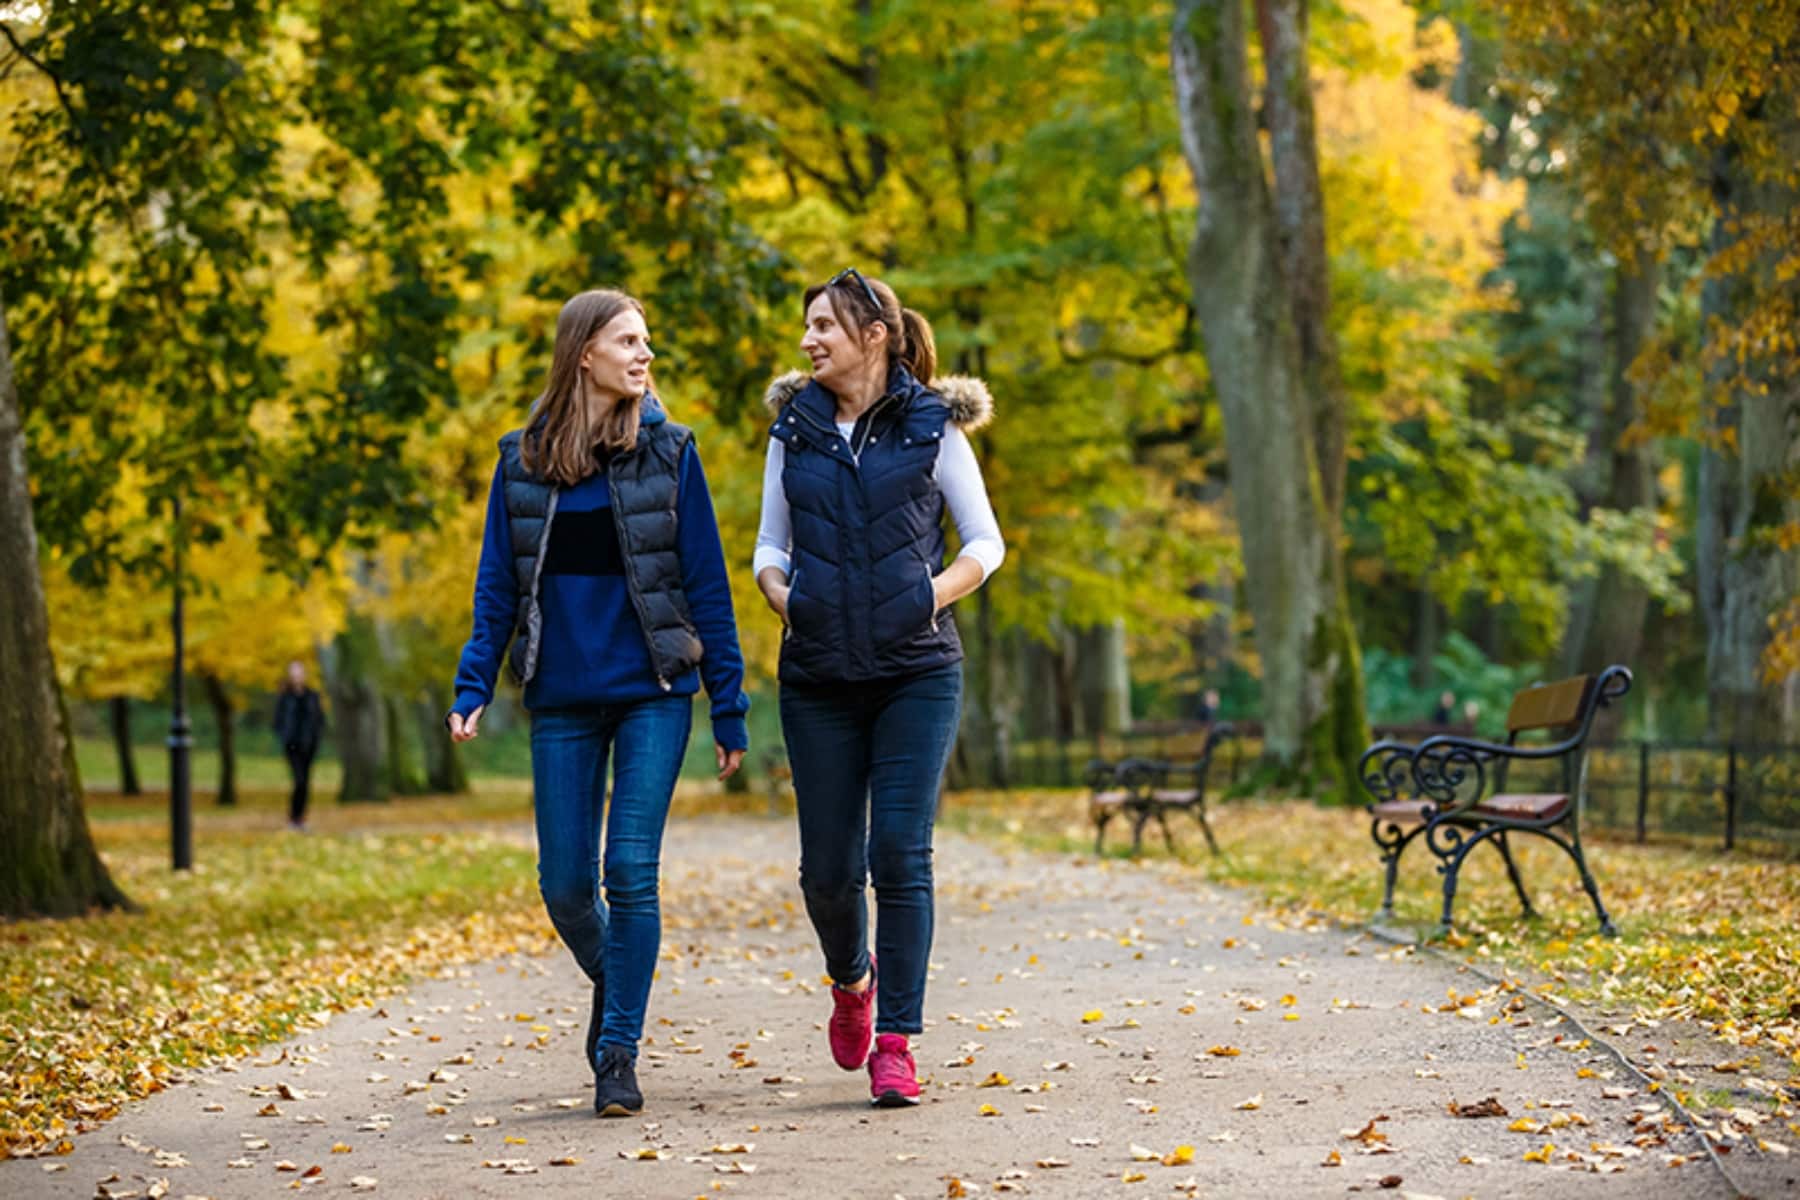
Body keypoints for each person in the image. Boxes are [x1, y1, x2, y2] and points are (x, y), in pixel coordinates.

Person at [446, 288, 749, 1119]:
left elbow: (706, 587)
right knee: (566, 886)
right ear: (585, 353)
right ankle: (623, 982)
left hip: (653, 694)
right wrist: (473, 683)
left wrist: (728, 703)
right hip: (563, 699)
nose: (646, 355)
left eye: (648, 341)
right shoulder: (520, 462)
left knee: (629, 873)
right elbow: (497, 589)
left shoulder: (671, 452)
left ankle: (617, 1052)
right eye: (630, 341)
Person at [754, 268, 1005, 1107]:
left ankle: (896, 1039)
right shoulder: (793, 430)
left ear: (875, 335)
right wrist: (787, 598)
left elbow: (986, 542)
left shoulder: (933, 426)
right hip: (819, 675)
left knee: (899, 852)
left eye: (824, 324)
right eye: (806, 326)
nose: (808, 339)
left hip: (916, 671)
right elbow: (768, 546)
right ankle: (850, 980)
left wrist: (928, 595)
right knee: (827, 871)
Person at [272, 660, 324, 830]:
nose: (296, 676)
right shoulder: (285, 698)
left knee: (306, 782)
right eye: (293, 673)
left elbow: (319, 720)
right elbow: (278, 721)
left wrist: (315, 738)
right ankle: (294, 817)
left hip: (308, 745)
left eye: (299, 672)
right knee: (299, 780)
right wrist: (285, 737)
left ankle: (300, 817)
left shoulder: (312, 696)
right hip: (292, 745)